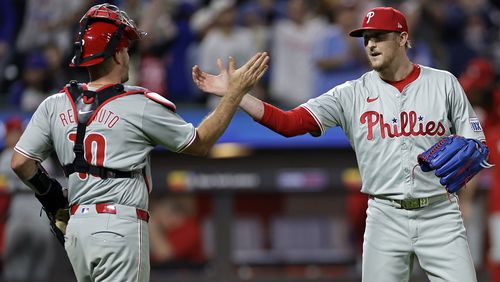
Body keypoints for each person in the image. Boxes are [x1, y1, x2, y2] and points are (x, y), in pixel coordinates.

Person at [193, 6, 489, 281]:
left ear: (402, 38)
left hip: (439, 213)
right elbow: (289, 123)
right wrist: (236, 95)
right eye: (366, 38)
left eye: (379, 37)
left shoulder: (443, 83)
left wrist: (473, 151)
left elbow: (476, 142)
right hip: (385, 215)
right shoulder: (350, 94)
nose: (371, 44)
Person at [10, 3, 268, 282]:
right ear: (118, 54)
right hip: (119, 225)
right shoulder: (137, 103)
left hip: (77, 230)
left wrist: (52, 199)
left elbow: (21, 162)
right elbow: (201, 142)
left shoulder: (55, 103)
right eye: (125, 49)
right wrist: (234, 95)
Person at [0, 116, 57, 282]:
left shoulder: (7, 157)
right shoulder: (43, 156)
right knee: (35, 271)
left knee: (19, 272)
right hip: (34, 220)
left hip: (25, 220)